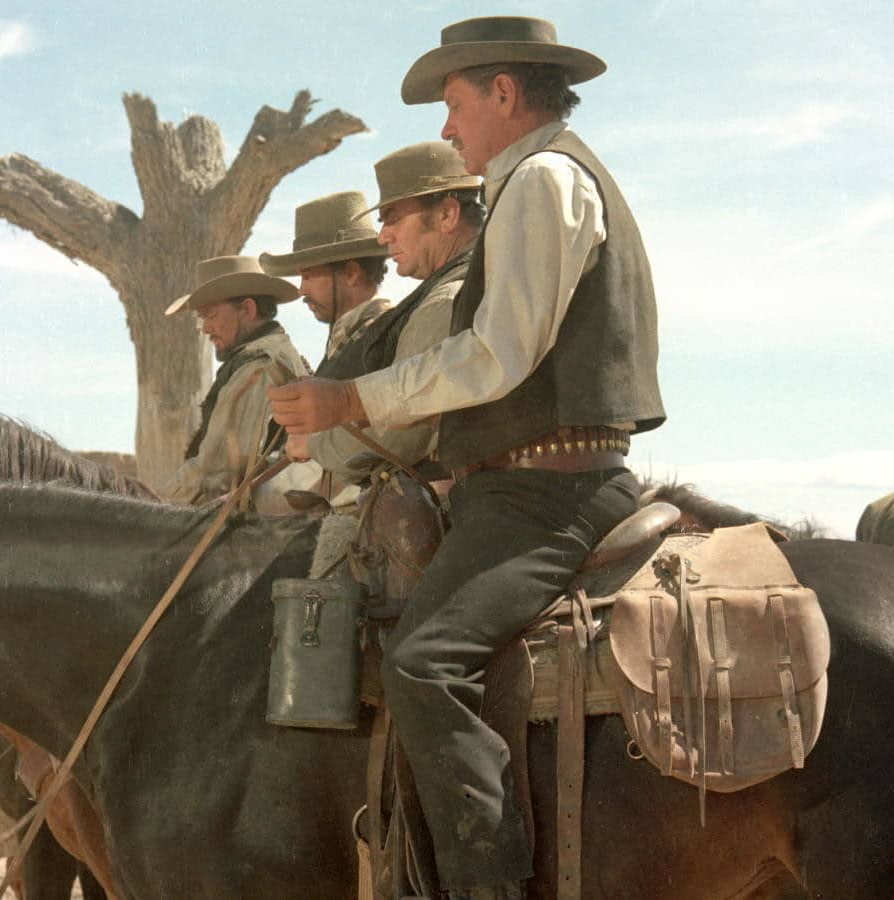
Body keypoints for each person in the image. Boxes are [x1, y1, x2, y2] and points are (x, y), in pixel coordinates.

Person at [268, 16, 664, 898]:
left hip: (543, 495)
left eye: (453, 104)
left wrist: (351, 401)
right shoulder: (544, 177)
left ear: (504, 93)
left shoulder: (542, 179)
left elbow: (496, 353)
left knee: (422, 662)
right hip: (533, 484)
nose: (447, 129)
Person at [291, 141, 484, 494]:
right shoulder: (470, 282)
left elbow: (397, 439)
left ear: (447, 215)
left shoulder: (443, 302)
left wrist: (315, 444)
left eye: (393, 218)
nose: (383, 236)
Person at [156, 255, 309, 505]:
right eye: (202, 318)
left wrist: (155, 505)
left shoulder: (259, 367)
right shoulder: (264, 357)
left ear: (247, 309)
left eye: (211, 315)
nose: (205, 328)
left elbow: (216, 471)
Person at [259, 190, 391, 365]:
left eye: (308, 276)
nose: (301, 290)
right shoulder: (353, 337)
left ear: (351, 274)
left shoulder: (385, 336)